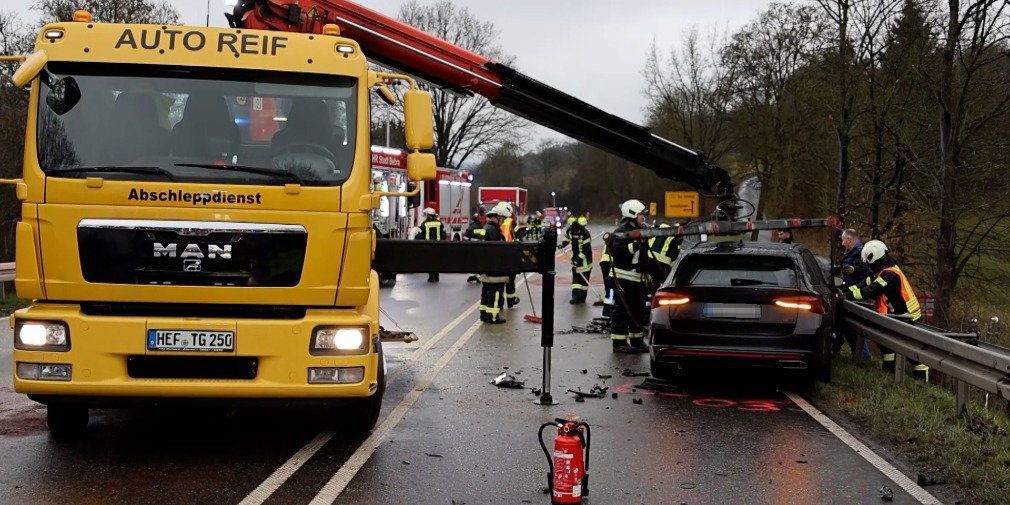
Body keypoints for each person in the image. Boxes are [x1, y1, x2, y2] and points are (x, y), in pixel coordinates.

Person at [844, 239, 928, 380]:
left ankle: (922, 383)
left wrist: (846, 295)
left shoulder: (889, 275)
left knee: (914, 356)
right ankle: (888, 374)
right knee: (887, 347)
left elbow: (870, 290)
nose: (868, 265)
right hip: (899, 316)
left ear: (873, 256)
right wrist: (843, 289)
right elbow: (863, 284)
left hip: (907, 317)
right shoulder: (883, 272)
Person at [609, 199, 654, 353]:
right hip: (623, 278)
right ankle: (619, 343)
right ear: (632, 214)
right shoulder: (621, 231)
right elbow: (619, 253)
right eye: (641, 214)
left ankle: (637, 341)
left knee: (638, 310)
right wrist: (636, 243)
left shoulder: (642, 230)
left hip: (637, 278)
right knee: (622, 310)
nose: (643, 217)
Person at [479, 203, 509, 324]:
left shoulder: (486, 228)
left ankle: (484, 315)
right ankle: (492, 317)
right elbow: (498, 250)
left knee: (486, 293)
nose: (502, 222)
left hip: (486, 267)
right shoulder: (493, 231)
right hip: (494, 269)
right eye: (502, 219)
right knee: (495, 293)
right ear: (498, 216)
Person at [559, 215, 593, 304]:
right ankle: (575, 297)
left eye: (578, 231)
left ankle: (582, 297)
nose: (576, 233)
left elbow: (586, 249)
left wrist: (579, 260)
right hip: (575, 256)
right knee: (576, 279)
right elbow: (567, 238)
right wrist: (563, 244)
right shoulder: (570, 230)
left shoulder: (585, 234)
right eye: (575, 231)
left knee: (584, 281)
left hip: (586, 260)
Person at [416, 207, 447, 282]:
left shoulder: (424, 224)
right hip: (438, 245)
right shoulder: (439, 223)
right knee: (437, 261)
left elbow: (420, 236)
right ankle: (437, 276)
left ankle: (431, 277)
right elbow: (444, 235)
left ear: (428, 215)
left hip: (428, 246)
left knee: (429, 261)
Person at [499, 202, 520, 308]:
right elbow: (519, 237)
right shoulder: (512, 222)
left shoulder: (498, 222)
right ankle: (511, 300)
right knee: (510, 280)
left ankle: (500, 302)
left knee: (500, 281)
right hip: (511, 254)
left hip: (500, 255)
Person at [463, 212, 484, 283]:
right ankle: (478, 276)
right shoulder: (483, 227)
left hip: (472, 247)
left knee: (471, 262)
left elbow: (465, 238)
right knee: (479, 262)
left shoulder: (470, 227)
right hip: (481, 248)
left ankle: (472, 276)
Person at [599, 232, 615, 318]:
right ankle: (608, 309)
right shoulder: (617, 239)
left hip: (604, 263)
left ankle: (607, 309)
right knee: (611, 288)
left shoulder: (610, 238)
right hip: (610, 263)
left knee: (608, 287)